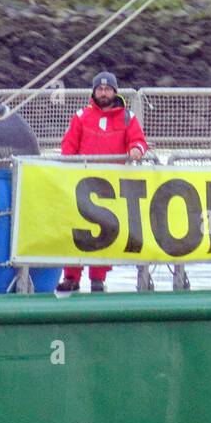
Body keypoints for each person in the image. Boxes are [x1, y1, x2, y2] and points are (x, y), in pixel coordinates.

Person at [57, 71, 148, 294]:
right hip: (83, 184)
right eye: (100, 89)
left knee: (105, 232)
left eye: (108, 89)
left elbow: (138, 140)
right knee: (78, 230)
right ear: (94, 92)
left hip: (110, 187)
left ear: (115, 92)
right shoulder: (81, 116)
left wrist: (136, 150)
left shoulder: (127, 118)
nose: (104, 93)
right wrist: (68, 171)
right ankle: (71, 277)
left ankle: (98, 278)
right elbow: (68, 146)